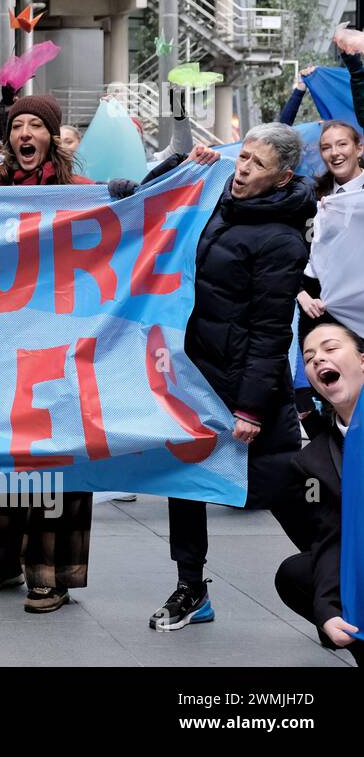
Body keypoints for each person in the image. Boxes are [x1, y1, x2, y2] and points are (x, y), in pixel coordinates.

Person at [147, 124, 318, 630]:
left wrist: (250, 408)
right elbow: (149, 203)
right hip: (193, 375)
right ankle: (191, 588)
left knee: (281, 488)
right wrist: (180, 167)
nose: (242, 170)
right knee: (187, 480)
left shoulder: (283, 240)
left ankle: (342, 578)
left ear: (283, 177)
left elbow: (271, 332)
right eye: (242, 157)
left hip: (247, 388)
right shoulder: (214, 194)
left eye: (256, 165)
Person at [0, 94, 94, 613]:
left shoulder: (83, 194)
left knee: (54, 458)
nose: (25, 133)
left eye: (36, 125)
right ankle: (0, 562)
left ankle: (50, 574)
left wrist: (129, 197)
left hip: (60, 348)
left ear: (52, 137)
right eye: (18, 125)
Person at [276, 322, 363, 666]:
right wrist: (327, 611)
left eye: (330, 348)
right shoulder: (315, 460)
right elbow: (330, 535)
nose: (317, 360)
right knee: (297, 574)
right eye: (309, 357)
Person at [296, 121, 364, 340]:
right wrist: (300, 293)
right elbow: (294, 250)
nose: (335, 153)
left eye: (342, 144)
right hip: (320, 309)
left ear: (359, 148)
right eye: (326, 147)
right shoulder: (312, 198)